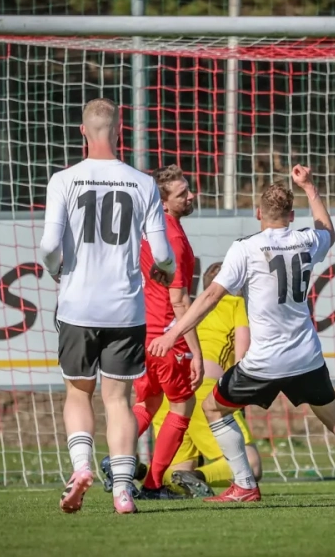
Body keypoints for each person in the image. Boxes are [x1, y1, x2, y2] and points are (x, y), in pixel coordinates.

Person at [149, 165, 335, 503]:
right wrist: (309, 187)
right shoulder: (306, 240)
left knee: (213, 408)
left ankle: (244, 485)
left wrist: (172, 334)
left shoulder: (246, 248)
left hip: (265, 360)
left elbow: (210, 296)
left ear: (258, 213)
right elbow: (327, 231)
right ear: (291, 216)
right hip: (306, 356)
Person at [40, 98, 176, 515]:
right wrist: (166, 273)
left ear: (82, 131)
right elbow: (163, 254)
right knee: (118, 400)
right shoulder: (143, 183)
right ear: (120, 131)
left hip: (78, 307)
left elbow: (48, 245)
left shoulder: (63, 180)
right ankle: (122, 491)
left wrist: (56, 270)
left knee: (78, 392)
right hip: (125, 310)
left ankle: (81, 467)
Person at [100, 164, 204, 499]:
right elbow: (179, 300)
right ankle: (153, 485)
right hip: (166, 335)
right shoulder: (172, 238)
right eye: (182, 193)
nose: (191, 196)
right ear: (163, 202)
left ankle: (116, 459)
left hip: (141, 332)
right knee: (182, 406)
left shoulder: (145, 230)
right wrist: (196, 352)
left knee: (149, 401)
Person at [153, 262, 263, 498]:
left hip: (171, 390)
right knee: (252, 465)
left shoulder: (192, 308)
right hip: (204, 388)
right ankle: (199, 477)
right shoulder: (237, 303)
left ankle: (136, 471)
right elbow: (242, 355)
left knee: (179, 470)